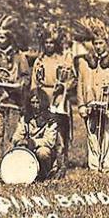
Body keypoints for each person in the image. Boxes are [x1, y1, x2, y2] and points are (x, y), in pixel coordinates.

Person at [0, 14, 30, 172]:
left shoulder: (19, 56)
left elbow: (25, 76)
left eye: (3, 37)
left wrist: (19, 85)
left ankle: (10, 167)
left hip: (13, 102)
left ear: (9, 38)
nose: (0, 40)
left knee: (11, 134)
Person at [76, 17, 109, 172]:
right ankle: (94, 165)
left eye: (101, 43)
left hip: (107, 104)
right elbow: (80, 84)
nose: (98, 46)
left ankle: (107, 164)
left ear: (106, 44)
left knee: (107, 134)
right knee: (92, 134)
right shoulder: (84, 62)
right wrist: (81, 105)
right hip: (90, 103)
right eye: (95, 43)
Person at [31, 23, 75, 174]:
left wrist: (64, 87)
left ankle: (61, 164)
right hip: (43, 98)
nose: (49, 45)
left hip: (59, 98)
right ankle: (46, 164)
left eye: (51, 43)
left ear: (55, 44)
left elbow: (72, 79)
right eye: (46, 43)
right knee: (45, 131)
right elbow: (34, 83)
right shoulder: (39, 61)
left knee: (61, 133)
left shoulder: (63, 59)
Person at [12, 90, 60, 180]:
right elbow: (18, 134)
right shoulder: (25, 118)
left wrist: (32, 142)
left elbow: (49, 141)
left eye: (38, 102)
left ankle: (45, 174)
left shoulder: (50, 120)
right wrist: (17, 141)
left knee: (43, 153)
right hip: (28, 149)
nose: (35, 106)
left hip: (42, 148)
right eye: (32, 102)